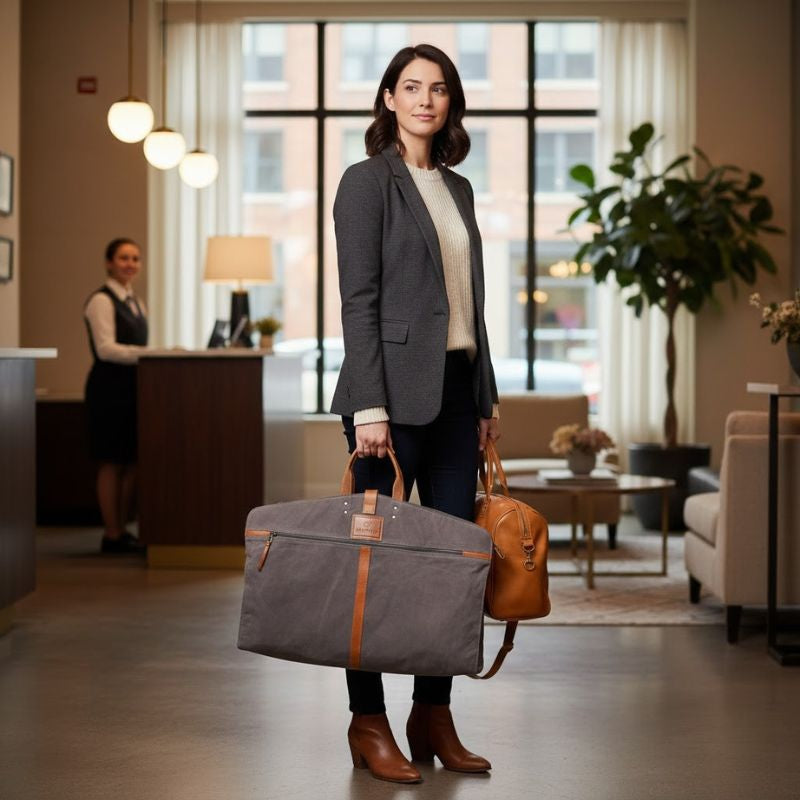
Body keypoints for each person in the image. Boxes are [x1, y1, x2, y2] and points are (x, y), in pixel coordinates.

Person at [330, 44, 501, 784]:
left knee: (454, 567)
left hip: (458, 394)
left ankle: (432, 713)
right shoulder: (367, 183)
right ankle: (367, 722)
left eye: (439, 88)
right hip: (387, 403)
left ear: (451, 102)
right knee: (369, 567)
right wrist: (369, 404)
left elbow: (470, 305)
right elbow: (358, 301)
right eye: (412, 87)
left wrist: (485, 396)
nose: (426, 99)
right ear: (389, 98)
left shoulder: (457, 189)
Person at [84, 238, 149, 554]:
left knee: (131, 461)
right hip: (108, 389)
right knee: (111, 461)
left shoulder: (136, 301)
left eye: (135, 258)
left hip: (132, 388)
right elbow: (105, 349)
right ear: (109, 262)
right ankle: (111, 533)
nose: (130, 264)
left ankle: (123, 529)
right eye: (124, 257)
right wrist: (149, 354)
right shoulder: (101, 300)